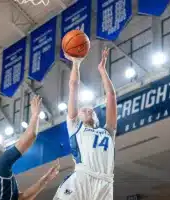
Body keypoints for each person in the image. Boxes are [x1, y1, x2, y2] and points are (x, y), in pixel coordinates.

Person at [53, 47, 117, 200]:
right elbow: (73, 86)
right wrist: (76, 63)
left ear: (97, 118)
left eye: (92, 111)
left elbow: (111, 95)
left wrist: (102, 70)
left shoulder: (108, 132)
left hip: (106, 184)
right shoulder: (76, 127)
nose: (88, 111)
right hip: (82, 177)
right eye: (84, 110)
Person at [0, 96, 60, 200]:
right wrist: (35, 114)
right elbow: (30, 135)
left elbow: (22, 198)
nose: (2, 144)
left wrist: (45, 180)